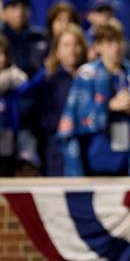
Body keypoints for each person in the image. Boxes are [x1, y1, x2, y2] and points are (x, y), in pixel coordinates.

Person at [57, 19, 130, 176]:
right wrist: (109, 107)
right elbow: (71, 122)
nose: (116, 47)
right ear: (98, 46)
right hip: (95, 161)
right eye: (109, 42)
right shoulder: (86, 75)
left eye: (119, 41)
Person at [20, 24, 87, 176]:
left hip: (86, 150)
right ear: (57, 50)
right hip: (56, 153)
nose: (72, 49)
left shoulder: (91, 78)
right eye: (66, 45)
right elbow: (41, 121)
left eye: (76, 44)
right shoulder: (48, 81)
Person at [0, 0, 47, 77]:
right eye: (14, 6)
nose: (20, 11)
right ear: (4, 12)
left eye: (24, 6)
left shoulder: (40, 36)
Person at [0, 33, 27, 176]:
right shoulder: (10, 77)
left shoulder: (14, 75)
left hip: (8, 145)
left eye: (4, 53)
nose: (2, 58)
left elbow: (25, 83)